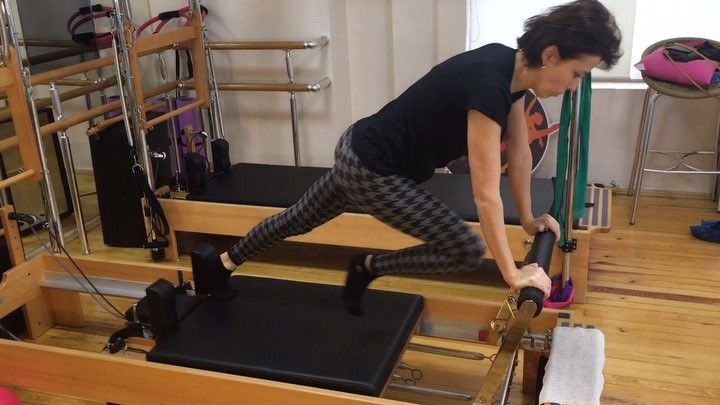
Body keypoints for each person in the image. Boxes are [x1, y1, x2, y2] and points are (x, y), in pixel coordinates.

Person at [191, 0, 622, 315]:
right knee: (465, 250)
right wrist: (511, 273)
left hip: (359, 148)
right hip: (372, 167)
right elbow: (486, 192)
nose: (571, 86)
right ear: (551, 56)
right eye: (576, 74)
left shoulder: (506, 67)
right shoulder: (489, 86)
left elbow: (521, 154)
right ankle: (369, 266)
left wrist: (528, 220)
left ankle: (222, 263)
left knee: (295, 220)